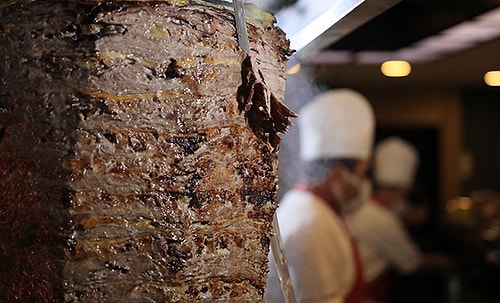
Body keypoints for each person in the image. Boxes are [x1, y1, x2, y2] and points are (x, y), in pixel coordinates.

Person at [265, 88, 375, 303]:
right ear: (338, 175)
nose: (362, 184)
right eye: (362, 174)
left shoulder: (306, 207)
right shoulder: (312, 224)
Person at [344, 137, 451, 303]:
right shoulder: (384, 220)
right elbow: (412, 263)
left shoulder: (364, 203)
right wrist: (445, 262)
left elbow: (406, 213)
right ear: (403, 189)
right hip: (365, 294)